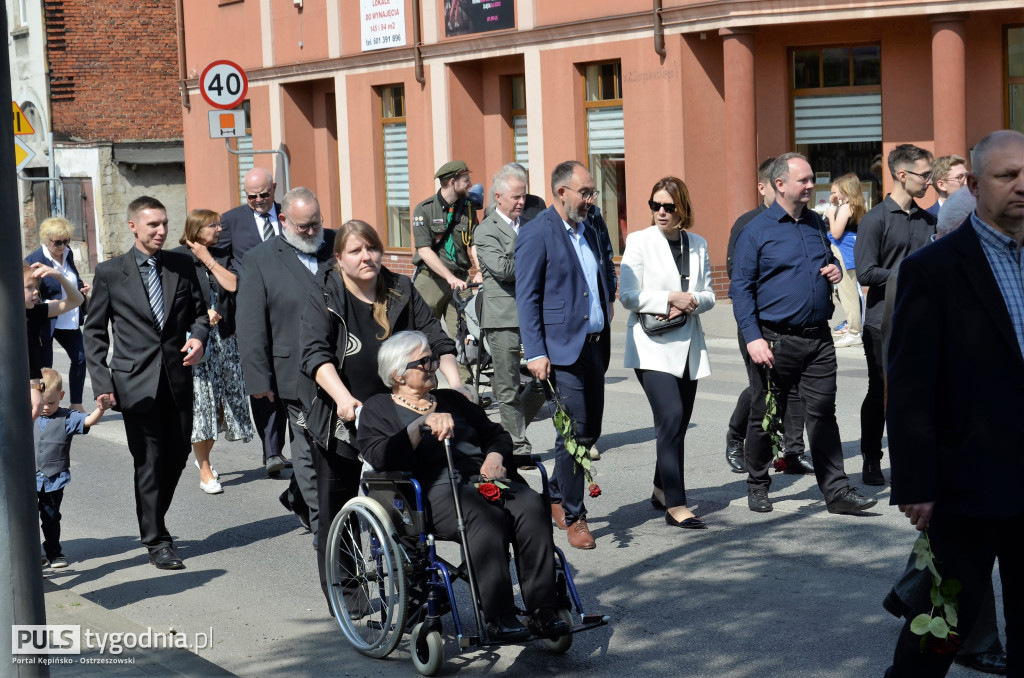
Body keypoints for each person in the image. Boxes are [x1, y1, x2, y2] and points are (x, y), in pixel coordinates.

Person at [883, 129, 1024, 677]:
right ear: (975, 183)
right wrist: (916, 484)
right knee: (937, 632)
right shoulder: (933, 270)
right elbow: (911, 386)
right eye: (1007, 176)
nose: (1020, 186)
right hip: (967, 483)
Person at [298, 219, 471, 613]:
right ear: (339, 258)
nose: (366, 257)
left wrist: (456, 383)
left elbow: (436, 337)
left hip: (395, 412)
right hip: (341, 416)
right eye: (356, 251)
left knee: (402, 502)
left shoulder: (400, 289)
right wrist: (343, 399)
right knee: (338, 507)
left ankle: (414, 590)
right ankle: (349, 593)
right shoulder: (325, 293)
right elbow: (315, 355)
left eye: (371, 248)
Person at [357, 331, 570, 641]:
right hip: (430, 490)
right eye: (424, 361)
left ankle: (543, 609)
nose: (433, 366)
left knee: (531, 504)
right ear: (397, 374)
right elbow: (379, 455)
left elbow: (495, 434)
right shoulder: (378, 408)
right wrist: (420, 425)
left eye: (433, 358)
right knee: (485, 517)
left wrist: (495, 457)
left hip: (484, 478)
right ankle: (499, 616)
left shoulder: (453, 400)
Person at [730, 153, 876, 516]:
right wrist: (753, 338)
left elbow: (827, 259)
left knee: (823, 414)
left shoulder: (815, 223)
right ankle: (758, 483)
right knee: (767, 412)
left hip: (818, 339)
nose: (812, 185)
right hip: (773, 340)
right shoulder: (756, 230)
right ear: (780, 185)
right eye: (804, 180)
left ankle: (837, 491)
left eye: (812, 179)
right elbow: (741, 289)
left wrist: (834, 272)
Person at [84, 195, 209, 570]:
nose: (161, 230)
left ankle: (154, 521)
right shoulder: (110, 272)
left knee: (178, 455)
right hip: (134, 384)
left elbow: (201, 313)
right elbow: (94, 333)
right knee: (149, 461)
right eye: (152, 224)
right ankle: (157, 539)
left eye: (165, 223)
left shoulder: (181, 265)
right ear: (133, 226)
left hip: (176, 378)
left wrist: (199, 337)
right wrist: (102, 382)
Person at [515, 160, 616, 550]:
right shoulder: (537, 232)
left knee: (590, 431)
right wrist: (536, 351)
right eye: (585, 192)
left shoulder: (589, 226)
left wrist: (607, 299)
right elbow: (527, 297)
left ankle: (555, 492)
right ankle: (575, 517)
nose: (592, 199)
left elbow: (602, 267)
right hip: (560, 350)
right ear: (562, 192)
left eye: (592, 192)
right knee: (573, 432)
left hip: (594, 343)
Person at [237, 187, 336, 537]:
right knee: (307, 447)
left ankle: (298, 496)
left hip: (341, 368)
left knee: (336, 446)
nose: (312, 232)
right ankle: (321, 524)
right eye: (303, 227)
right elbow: (250, 326)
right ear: (283, 221)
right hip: (292, 372)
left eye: (316, 224)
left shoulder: (336, 246)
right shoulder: (259, 260)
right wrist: (259, 381)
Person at [619, 177, 715, 529]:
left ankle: (661, 488)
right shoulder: (640, 242)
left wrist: (691, 301)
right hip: (651, 346)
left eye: (668, 206)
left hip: (687, 345)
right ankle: (676, 504)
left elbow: (709, 294)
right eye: (655, 205)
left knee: (676, 424)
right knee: (671, 416)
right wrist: (668, 298)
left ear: (682, 209)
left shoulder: (698, 244)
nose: (661, 212)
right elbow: (628, 295)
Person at [854, 144, 936, 487]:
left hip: (922, 321)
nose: (929, 181)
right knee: (882, 392)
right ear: (902, 175)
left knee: (920, 394)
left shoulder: (929, 219)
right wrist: (907, 273)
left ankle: (915, 458)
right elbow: (865, 273)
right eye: (925, 174)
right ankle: (872, 458)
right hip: (881, 323)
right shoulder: (875, 219)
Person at [724, 157, 812, 475]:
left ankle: (793, 450)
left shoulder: (804, 221)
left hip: (795, 324)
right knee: (761, 387)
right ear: (768, 186)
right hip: (759, 323)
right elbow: (738, 277)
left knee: (796, 387)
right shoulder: (748, 224)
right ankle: (737, 439)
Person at [171, 209, 255, 494]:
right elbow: (173, 301)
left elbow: (232, 285)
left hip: (227, 340)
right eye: (213, 225)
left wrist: (208, 259)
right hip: (197, 341)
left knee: (222, 406)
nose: (219, 229)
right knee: (203, 405)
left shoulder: (222, 255)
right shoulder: (178, 258)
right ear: (196, 228)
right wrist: (202, 312)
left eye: (220, 224)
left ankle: (202, 455)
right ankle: (205, 468)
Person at [218, 167, 291, 476]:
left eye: (264, 194)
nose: (259, 200)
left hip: (289, 311)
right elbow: (216, 259)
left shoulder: (290, 215)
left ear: (274, 189)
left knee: (289, 378)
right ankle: (272, 451)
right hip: (252, 314)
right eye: (252, 196)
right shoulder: (232, 220)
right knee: (262, 381)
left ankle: (294, 448)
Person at [474, 163, 546, 456]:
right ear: (499, 196)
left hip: (533, 314)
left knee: (545, 379)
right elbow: (503, 269)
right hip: (502, 316)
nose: (521, 202)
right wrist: (536, 260)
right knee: (508, 385)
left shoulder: (530, 224)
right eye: (516, 197)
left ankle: (508, 432)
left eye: (524, 196)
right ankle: (517, 445)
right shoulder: (486, 230)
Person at [35, 368, 110, 569]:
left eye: (51, 403)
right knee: (25, 519)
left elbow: (87, 421)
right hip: (27, 479)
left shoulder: (67, 417)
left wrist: (100, 409)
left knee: (51, 517)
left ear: (61, 396)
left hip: (53, 479)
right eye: (41, 402)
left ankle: (53, 552)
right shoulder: (28, 414)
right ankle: (31, 553)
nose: (45, 407)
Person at [411, 161, 482, 344]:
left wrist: (481, 270)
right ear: (452, 181)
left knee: (466, 337)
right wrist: (449, 277)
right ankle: (427, 373)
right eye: (466, 179)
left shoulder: (468, 208)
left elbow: (475, 243)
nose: (470, 183)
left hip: (461, 282)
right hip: (430, 281)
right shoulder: (424, 210)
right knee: (423, 338)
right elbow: (424, 250)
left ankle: (462, 373)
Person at [25, 216, 91, 411]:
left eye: (66, 241)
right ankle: (45, 406)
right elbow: (27, 290)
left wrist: (79, 287)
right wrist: (45, 302)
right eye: (58, 242)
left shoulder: (68, 254)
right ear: (46, 240)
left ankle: (76, 403)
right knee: (45, 366)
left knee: (80, 357)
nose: (62, 246)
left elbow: (71, 280)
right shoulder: (33, 261)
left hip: (68, 317)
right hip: (46, 319)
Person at [24, 262, 86, 420]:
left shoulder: (35, 312)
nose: (36, 291)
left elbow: (76, 300)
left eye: (36, 286)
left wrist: (59, 276)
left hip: (31, 386)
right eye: (29, 287)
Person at [824, 173, 867, 349]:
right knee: (849, 292)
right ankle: (854, 326)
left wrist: (830, 213)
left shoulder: (845, 208)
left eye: (836, 192)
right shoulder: (858, 207)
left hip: (842, 253)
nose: (834, 196)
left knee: (848, 294)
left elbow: (835, 233)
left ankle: (854, 331)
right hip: (851, 251)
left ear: (845, 190)